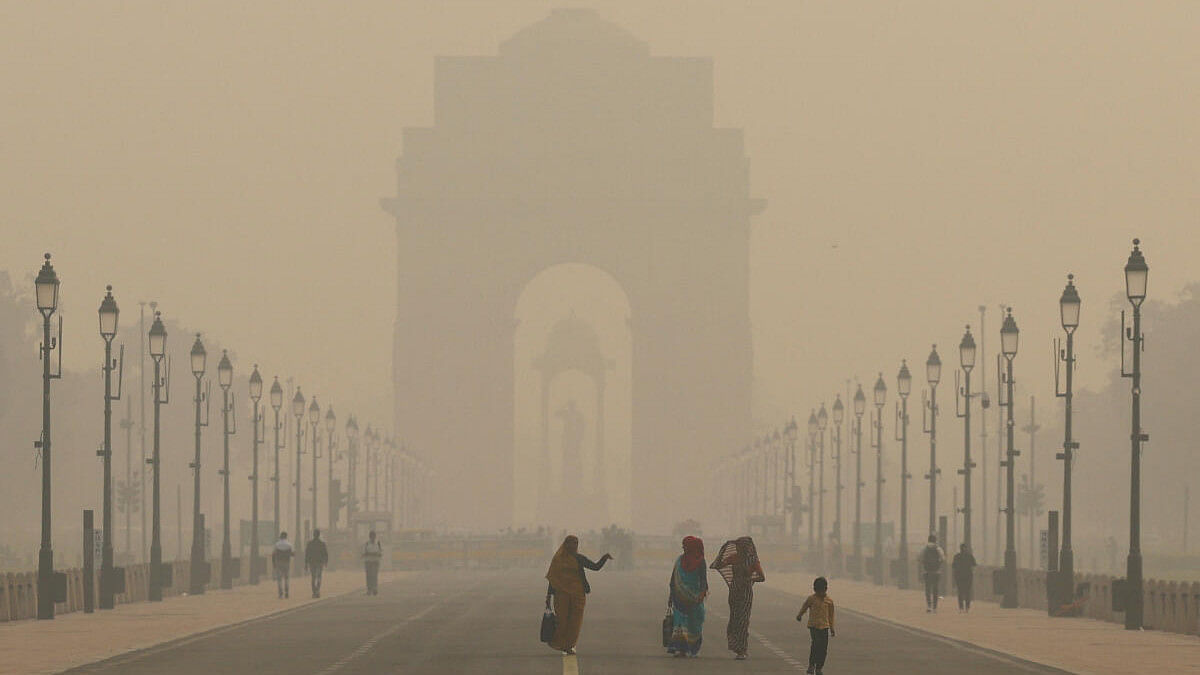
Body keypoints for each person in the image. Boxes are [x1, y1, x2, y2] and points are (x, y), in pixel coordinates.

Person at [544, 535, 612, 655]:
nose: (573, 546)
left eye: (576, 543)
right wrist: (548, 597)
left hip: (578, 595)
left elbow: (595, 567)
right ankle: (560, 643)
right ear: (565, 544)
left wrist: (604, 558)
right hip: (561, 596)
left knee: (575, 621)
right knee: (562, 621)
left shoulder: (579, 558)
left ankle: (569, 645)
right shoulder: (558, 560)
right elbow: (553, 580)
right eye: (571, 543)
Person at [711, 536, 765, 660]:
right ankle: (736, 646)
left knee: (743, 620)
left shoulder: (753, 560)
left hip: (746, 592)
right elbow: (717, 565)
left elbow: (762, 577)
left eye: (742, 546)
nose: (740, 548)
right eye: (738, 546)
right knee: (735, 619)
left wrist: (749, 578)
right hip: (734, 592)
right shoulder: (734, 557)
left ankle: (742, 649)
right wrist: (723, 551)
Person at [667, 536, 708, 658]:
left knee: (694, 623)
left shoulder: (701, 561)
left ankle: (694, 648)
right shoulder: (679, 560)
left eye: (685, 546)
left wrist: (701, 594)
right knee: (680, 624)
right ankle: (681, 649)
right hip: (679, 598)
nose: (683, 548)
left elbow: (703, 580)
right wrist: (670, 597)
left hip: (695, 598)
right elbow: (673, 580)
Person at [796, 576, 835, 675]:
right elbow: (804, 607)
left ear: (825, 589)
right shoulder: (811, 599)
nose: (820, 593)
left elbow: (831, 616)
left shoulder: (829, 601)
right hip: (814, 626)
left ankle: (819, 667)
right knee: (816, 645)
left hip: (825, 627)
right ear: (815, 589)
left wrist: (832, 628)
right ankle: (811, 665)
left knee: (823, 648)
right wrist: (800, 615)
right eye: (818, 591)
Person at [919, 534, 945, 613]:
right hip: (936, 571)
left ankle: (929, 606)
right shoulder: (938, 548)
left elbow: (919, 558)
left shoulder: (924, 549)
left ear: (928, 540)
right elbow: (943, 558)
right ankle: (935, 607)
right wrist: (938, 563)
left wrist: (924, 562)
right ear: (935, 540)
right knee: (935, 589)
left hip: (927, 571)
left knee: (928, 589)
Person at [951, 543, 977, 612]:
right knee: (967, 592)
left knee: (960, 592)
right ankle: (967, 607)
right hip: (968, 576)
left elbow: (953, 567)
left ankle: (961, 607)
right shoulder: (969, 556)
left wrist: (954, 577)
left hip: (959, 576)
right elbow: (974, 565)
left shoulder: (956, 556)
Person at [305, 529, 329, 598]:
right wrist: (326, 562)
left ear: (313, 535)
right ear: (319, 535)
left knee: (313, 577)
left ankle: (314, 591)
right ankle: (317, 590)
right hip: (319, 562)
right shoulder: (322, 544)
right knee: (319, 576)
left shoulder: (309, 543)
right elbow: (325, 553)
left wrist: (306, 564)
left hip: (312, 562)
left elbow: (307, 554)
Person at [271, 532, 294, 599]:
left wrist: (274, 564)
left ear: (280, 537)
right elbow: (292, 554)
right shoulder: (289, 545)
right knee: (286, 578)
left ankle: (280, 594)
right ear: (286, 537)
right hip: (286, 562)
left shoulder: (277, 544)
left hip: (279, 562)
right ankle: (286, 592)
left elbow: (273, 554)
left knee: (279, 579)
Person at [362, 530, 383, 595]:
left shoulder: (378, 543)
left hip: (375, 562)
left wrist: (374, 554)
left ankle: (374, 589)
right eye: (371, 536)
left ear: (375, 537)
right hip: (368, 562)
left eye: (373, 536)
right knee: (368, 576)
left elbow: (380, 553)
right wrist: (370, 554)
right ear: (369, 537)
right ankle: (369, 590)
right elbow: (363, 553)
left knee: (374, 575)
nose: (373, 538)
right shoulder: (367, 543)